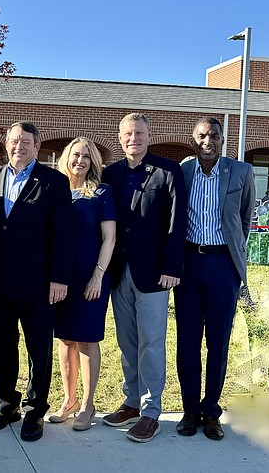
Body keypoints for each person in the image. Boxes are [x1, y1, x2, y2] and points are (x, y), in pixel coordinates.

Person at [0, 121, 73, 442]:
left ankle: (35, 409)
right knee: (0, 344)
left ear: (36, 144)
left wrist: (59, 278)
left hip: (39, 283)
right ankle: (6, 404)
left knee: (38, 347)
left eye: (26, 141)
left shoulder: (54, 182)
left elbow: (63, 235)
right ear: (6, 144)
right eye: (14, 141)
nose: (19, 146)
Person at [101, 112, 187, 442]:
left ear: (148, 136)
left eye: (138, 132)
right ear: (120, 137)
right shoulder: (110, 174)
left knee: (151, 342)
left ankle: (151, 411)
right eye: (127, 133)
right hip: (118, 271)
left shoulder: (167, 171)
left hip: (154, 273)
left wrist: (172, 267)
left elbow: (176, 223)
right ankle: (132, 401)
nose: (132, 138)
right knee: (127, 341)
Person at [174, 117, 255, 440]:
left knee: (218, 342)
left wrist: (233, 257)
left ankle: (211, 411)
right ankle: (190, 410)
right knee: (188, 341)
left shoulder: (241, 171)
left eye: (215, 136)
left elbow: (245, 219)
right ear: (193, 140)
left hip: (224, 265)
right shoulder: (183, 171)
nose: (208, 141)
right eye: (202, 136)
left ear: (223, 140)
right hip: (189, 264)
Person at [49, 138, 116, 431]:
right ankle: (69, 400)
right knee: (65, 338)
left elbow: (110, 238)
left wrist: (98, 276)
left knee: (88, 339)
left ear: (93, 163)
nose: (80, 161)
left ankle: (89, 405)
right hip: (61, 278)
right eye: (75, 155)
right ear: (66, 158)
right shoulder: (55, 191)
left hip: (91, 278)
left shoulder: (102, 193)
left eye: (86, 157)